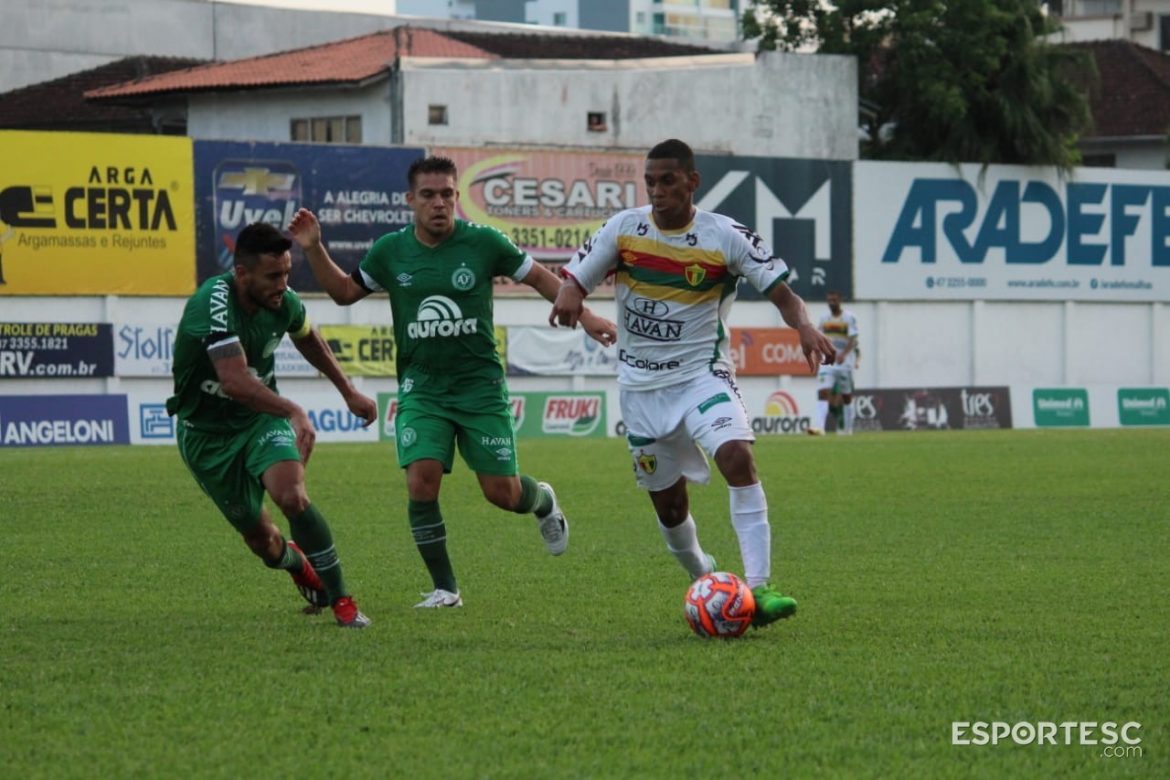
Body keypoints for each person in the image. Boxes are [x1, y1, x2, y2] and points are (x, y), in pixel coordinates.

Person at [288, 156, 616, 609]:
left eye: (447, 194)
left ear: (457, 198)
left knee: (502, 493)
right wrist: (313, 247)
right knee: (421, 482)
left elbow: (542, 277)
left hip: (479, 389)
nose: (439, 203)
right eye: (428, 195)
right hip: (422, 389)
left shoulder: (483, 242)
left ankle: (543, 502)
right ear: (411, 201)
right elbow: (344, 292)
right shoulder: (390, 250)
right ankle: (446, 588)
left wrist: (589, 316)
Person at [549, 138, 835, 628]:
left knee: (738, 457)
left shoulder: (726, 236)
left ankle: (761, 588)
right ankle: (707, 577)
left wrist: (805, 325)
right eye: (650, 182)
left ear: (692, 181)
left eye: (668, 181)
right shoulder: (624, 229)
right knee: (670, 505)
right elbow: (577, 277)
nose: (657, 191)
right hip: (641, 391)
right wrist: (571, 295)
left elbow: (783, 293)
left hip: (702, 377)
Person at [167, 222, 378, 628]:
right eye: (273, 276)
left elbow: (306, 336)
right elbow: (235, 380)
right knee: (263, 543)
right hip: (206, 436)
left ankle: (342, 600)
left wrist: (347, 391)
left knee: (293, 497)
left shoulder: (283, 300)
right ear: (241, 273)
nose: (283, 284)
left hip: (260, 420)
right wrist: (294, 411)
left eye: (286, 273)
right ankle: (297, 565)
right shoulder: (212, 303)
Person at [809, 290, 860, 435]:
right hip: (828, 362)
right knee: (823, 392)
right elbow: (819, 337)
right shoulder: (824, 318)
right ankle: (820, 428)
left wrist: (844, 354)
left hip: (845, 363)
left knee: (846, 396)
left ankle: (848, 429)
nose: (831, 303)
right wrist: (819, 353)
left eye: (834, 300)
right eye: (829, 300)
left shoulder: (849, 318)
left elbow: (853, 339)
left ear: (840, 300)